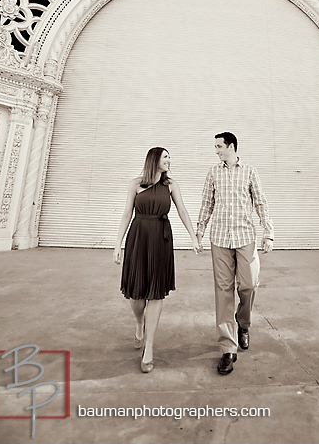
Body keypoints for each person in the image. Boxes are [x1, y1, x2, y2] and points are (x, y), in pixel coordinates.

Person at [114, 147, 201, 373]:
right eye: (165, 157)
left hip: (161, 240)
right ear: (154, 160)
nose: (169, 160)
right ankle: (138, 322)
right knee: (136, 294)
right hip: (138, 237)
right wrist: (117, 244)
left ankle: (149, 347)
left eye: (170, 156)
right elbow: (126, 214)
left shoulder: (171, 185)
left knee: (155, 292)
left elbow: (182, 210)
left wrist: (193, 236)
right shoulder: (135, 184)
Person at [197, 132, 274, 375]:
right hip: (219, 239)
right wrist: (199, 230)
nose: (216, 150)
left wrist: (268, 232)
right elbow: (207, 203)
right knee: (223, 291)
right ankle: (228, 348)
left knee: (249, 285)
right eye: (215, 146)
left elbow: (260, 202)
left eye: (219, 146)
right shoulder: (213, 172)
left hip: (245, 238)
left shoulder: (250, 171)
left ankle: (244, 324)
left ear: (231, 146)